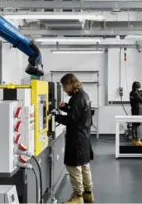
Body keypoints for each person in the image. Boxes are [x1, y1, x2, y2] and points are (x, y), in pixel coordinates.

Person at [53, 74, 94, 203]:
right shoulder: (83, 95)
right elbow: (76, 112)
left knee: (74, 166)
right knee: (84, 165)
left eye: (65, 87)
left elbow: (72, 119)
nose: (64, 90)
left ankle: (78, 197)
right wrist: (65, 107)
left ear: (70, 85)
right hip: (84, 136)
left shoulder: (76, 99)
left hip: (76, 137)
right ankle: (88, 193)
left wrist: (56, 116)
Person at [129, 81, 142, 146]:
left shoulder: (132, 92)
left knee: (134, 124)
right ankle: (138, 140)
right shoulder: (135, 93)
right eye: (138, 87)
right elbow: (141, 100)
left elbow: (138, 97)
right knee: (137, 125)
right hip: (137, 110)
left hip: (134, 109)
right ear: (136, 87)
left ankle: (134, 140)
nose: (138, 89)